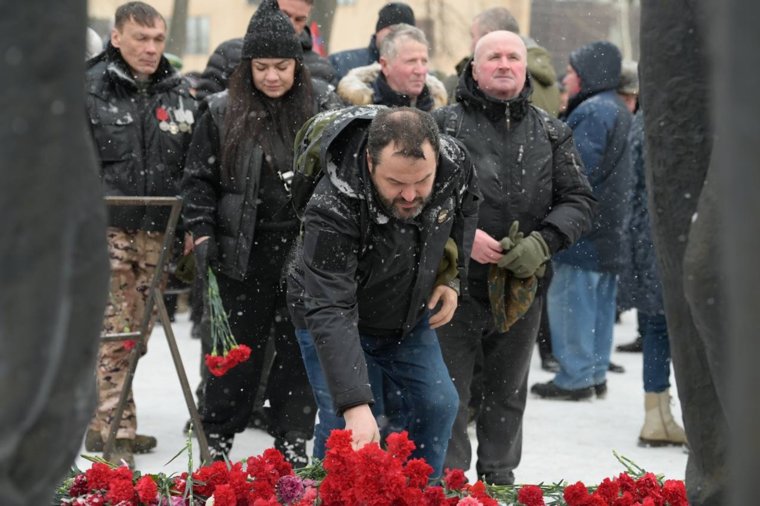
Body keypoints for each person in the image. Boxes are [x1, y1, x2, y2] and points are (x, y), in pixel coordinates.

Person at [181, 0, 342, 465]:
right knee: (235, 356)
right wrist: (204, 233)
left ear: (298, 65)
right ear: (246, 66)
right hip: (240, 252)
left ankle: (292, 437)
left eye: (282, 66)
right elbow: (197, 181)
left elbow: (340, 178)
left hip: (302, 254)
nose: (272, 77)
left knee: (297, 355)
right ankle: (218, 439)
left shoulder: (324, 107)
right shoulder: (219, 111)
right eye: (262, 67)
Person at [433, 31, 595, 485]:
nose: (504, 64)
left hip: (523, 288)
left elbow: (579, 200)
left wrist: (543, 243)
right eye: (494, 57)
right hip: (453, 284)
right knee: (449, 394)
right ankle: (449, 484)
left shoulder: (551, 131)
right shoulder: (443, 125)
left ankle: (499, 478)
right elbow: (416, 198)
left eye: (513, 57)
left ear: (525, 67)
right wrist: (465, 236)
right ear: (474, 66)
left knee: (507, 392)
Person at [286, 106, 480, 479]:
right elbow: (330, 306)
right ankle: (333, 494)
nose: (410, 194)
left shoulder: (454, 163)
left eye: (422, 181)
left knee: (439, 403)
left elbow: (467, 207)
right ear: (370, 162)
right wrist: (355, 404)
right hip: (331, 315)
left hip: (405, 310)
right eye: (395, 182)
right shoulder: (331, 207)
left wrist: (451, 275)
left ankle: (418, 491)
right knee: (345, 423)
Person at [83, 1, 197, 467]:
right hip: (105, 228)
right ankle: (114, 434)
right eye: (140, 39)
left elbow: (194, 167)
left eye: (157, 40)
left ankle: (104, 419)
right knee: (118, 331)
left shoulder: (180, 93)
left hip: (160, 232)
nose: (150, 49)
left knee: (140, 332)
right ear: (116, 38)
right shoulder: (86, 90)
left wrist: (191, 227)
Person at [531, 41, 633, 401]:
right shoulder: (617, 108)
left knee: (572, 304)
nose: (566, 79)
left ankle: (574, 378)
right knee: (600, 305)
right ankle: (594, 371)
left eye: (573, 72)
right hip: (611, 228)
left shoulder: (592, 111)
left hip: (585, 232)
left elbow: (577, 171)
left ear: (590, 74)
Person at [617, 110, 687, 447]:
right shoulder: (680, 116)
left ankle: (656, 416)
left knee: (658, 329)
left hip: (644, 234)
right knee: (689, 332)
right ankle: (692, 421)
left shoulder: (645, 118)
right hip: (675, 235)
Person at [444, 7, 561, 116]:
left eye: (473, 36)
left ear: (487, 35)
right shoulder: (548, 81)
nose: (471, 44)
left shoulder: (473, 80)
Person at [336, 23, 446, 110]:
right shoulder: (355, 111)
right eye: (411, 61)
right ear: (385, 65)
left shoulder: (439, 112)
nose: (421, 70)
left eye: (424, 61)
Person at [328, 2, 415, 80]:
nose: (397, 38)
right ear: (378, 32)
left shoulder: (419, 73)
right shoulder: (340, 62)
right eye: (392, 32)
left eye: (404, 33)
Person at [278, 0, 337, 85]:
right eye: (284, 16)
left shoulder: (323, 71)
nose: (291, 25)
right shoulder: (251, 56)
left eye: (299, 19)